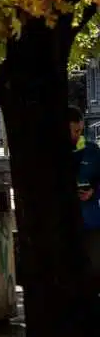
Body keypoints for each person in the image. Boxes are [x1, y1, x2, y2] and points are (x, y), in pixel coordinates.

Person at [70, 107, 100, 284]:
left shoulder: (92, 151)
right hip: (65, 224)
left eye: (80, 130)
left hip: (90, 220)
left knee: (95, 267)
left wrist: (93, 191)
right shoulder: (54, 155)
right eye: (74, 131)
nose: (77, 135)